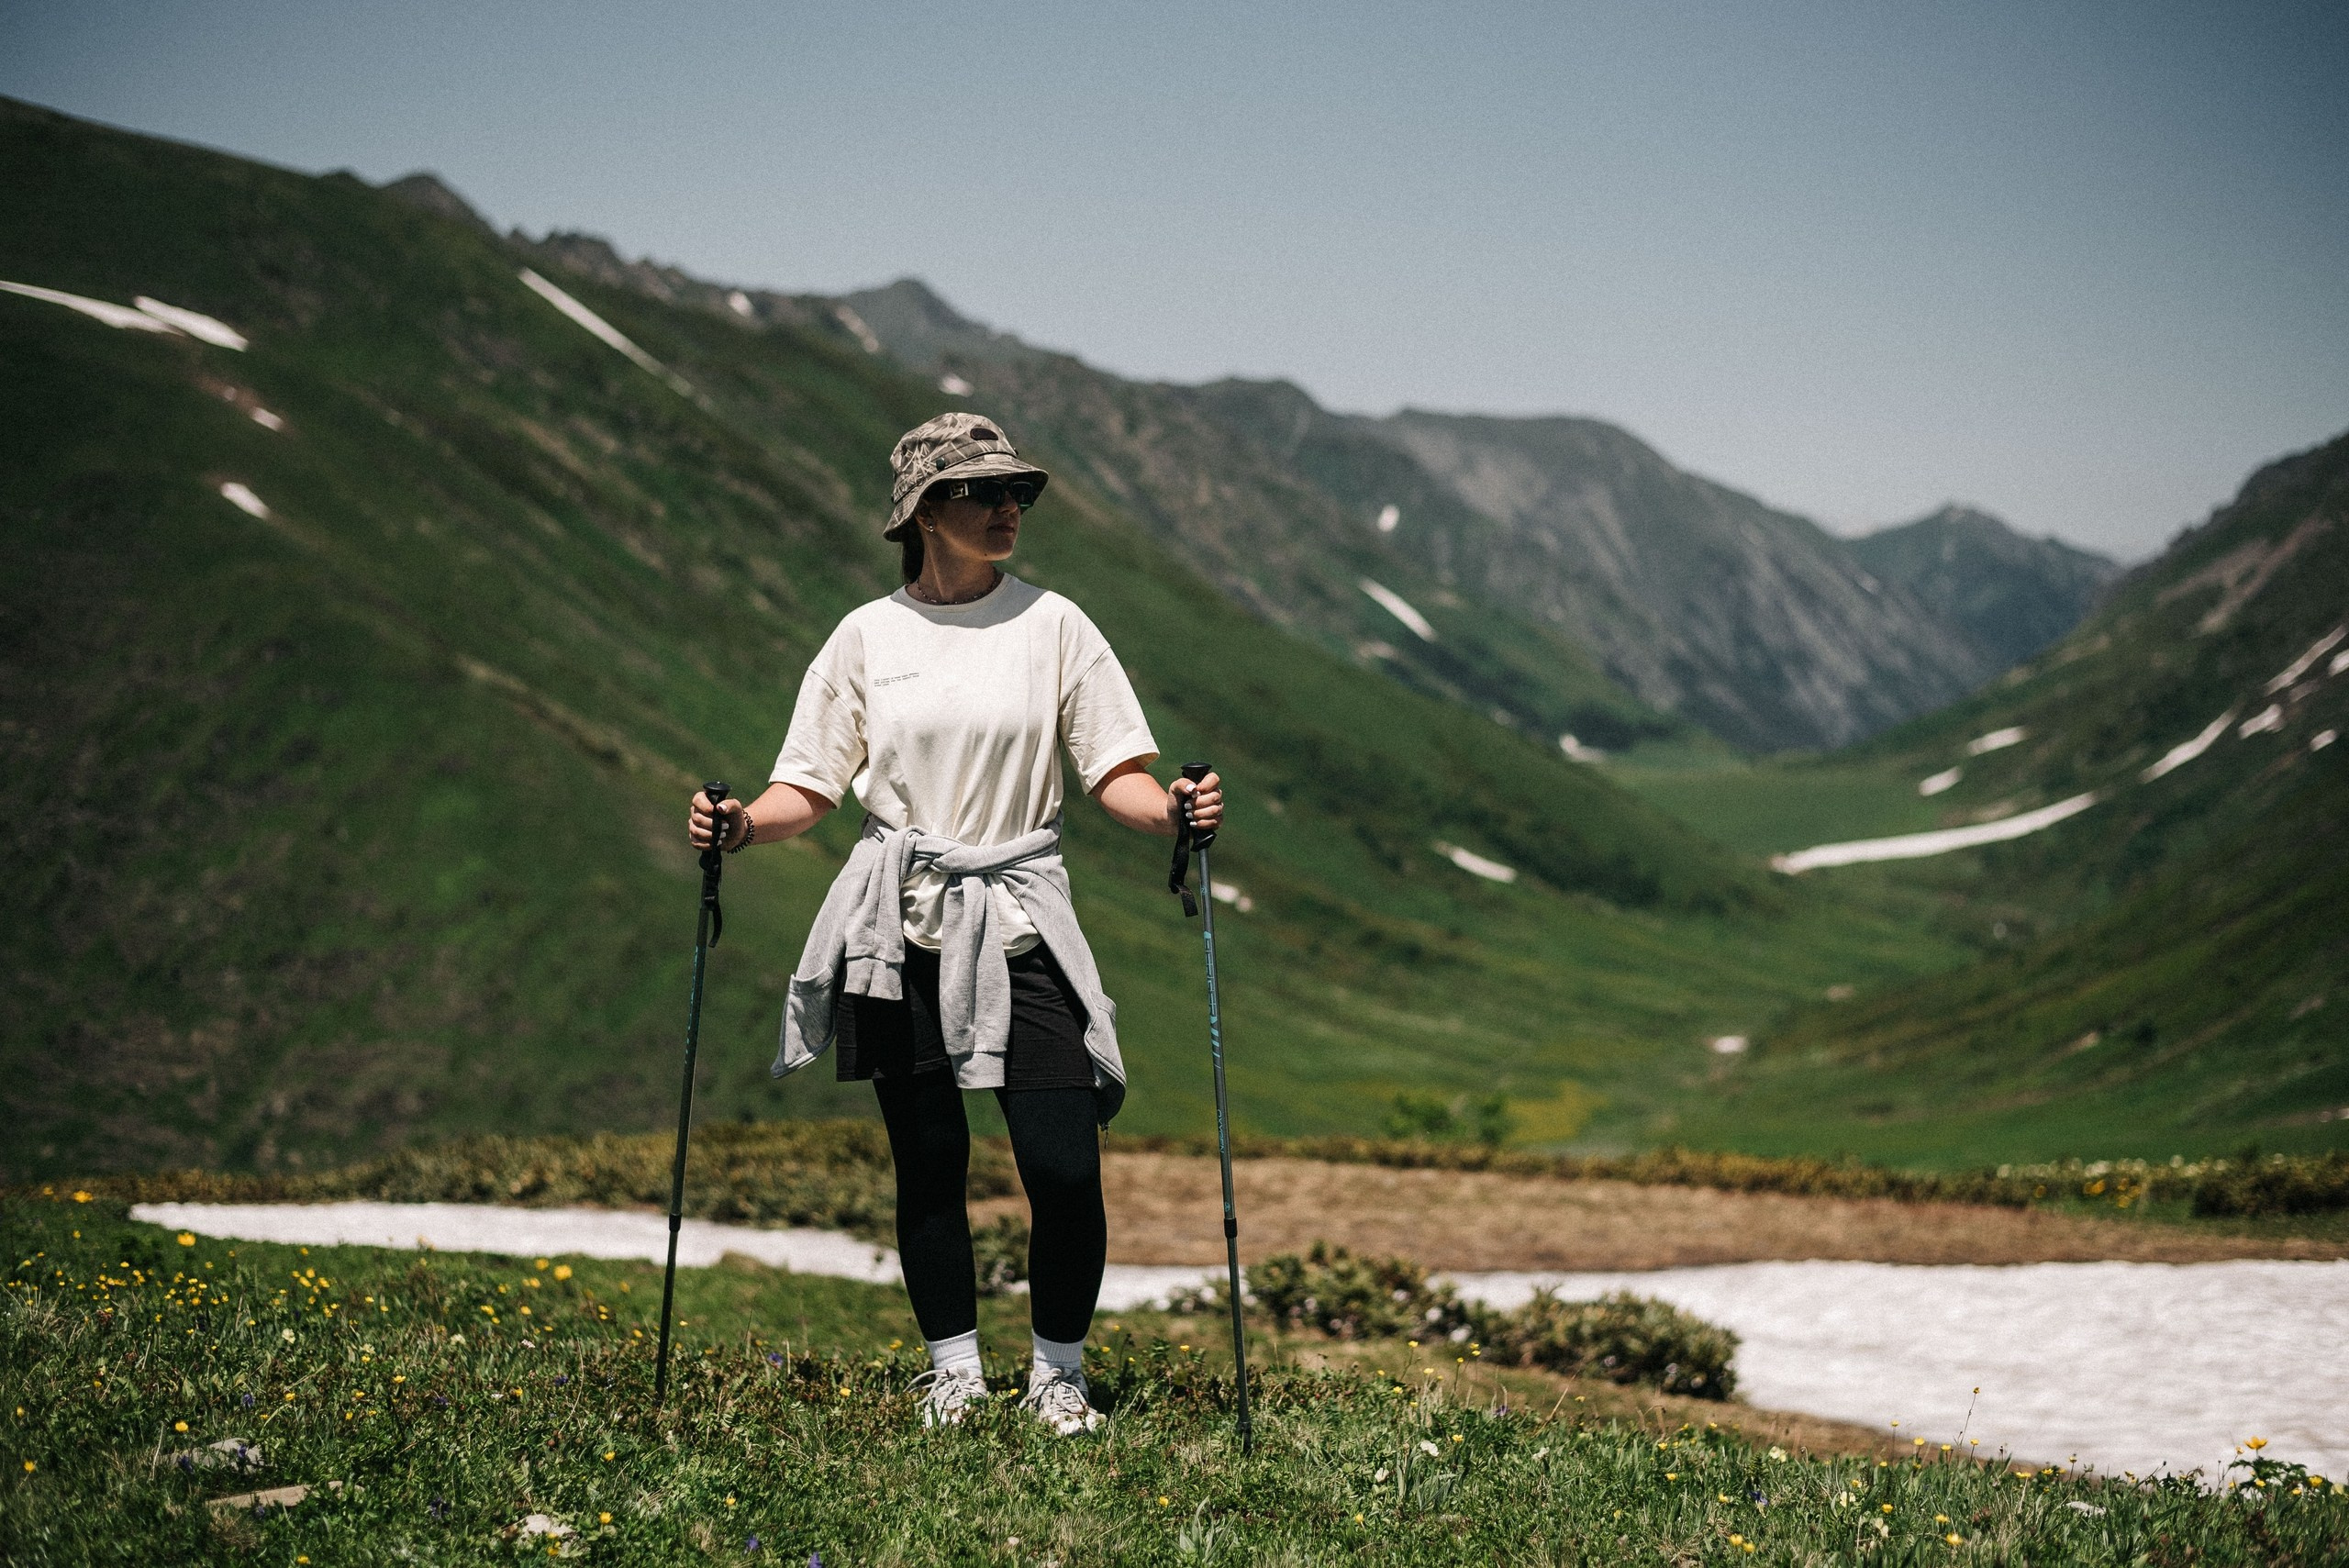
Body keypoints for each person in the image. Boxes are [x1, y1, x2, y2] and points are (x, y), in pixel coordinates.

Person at [687, 411, 1221, 1435]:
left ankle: (1056, 1374)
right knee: (926, 1162)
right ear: (925, 511)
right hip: (898, 920)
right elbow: (808, 783)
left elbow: (1116, 773)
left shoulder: (1055, 624)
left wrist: (1178, 810)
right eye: (985, 492)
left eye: (1018, 492)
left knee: (1063, 1164)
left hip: (1021, 915)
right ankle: (954, 1375)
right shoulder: (864, 637)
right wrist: (742, 825)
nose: (1009, 508)